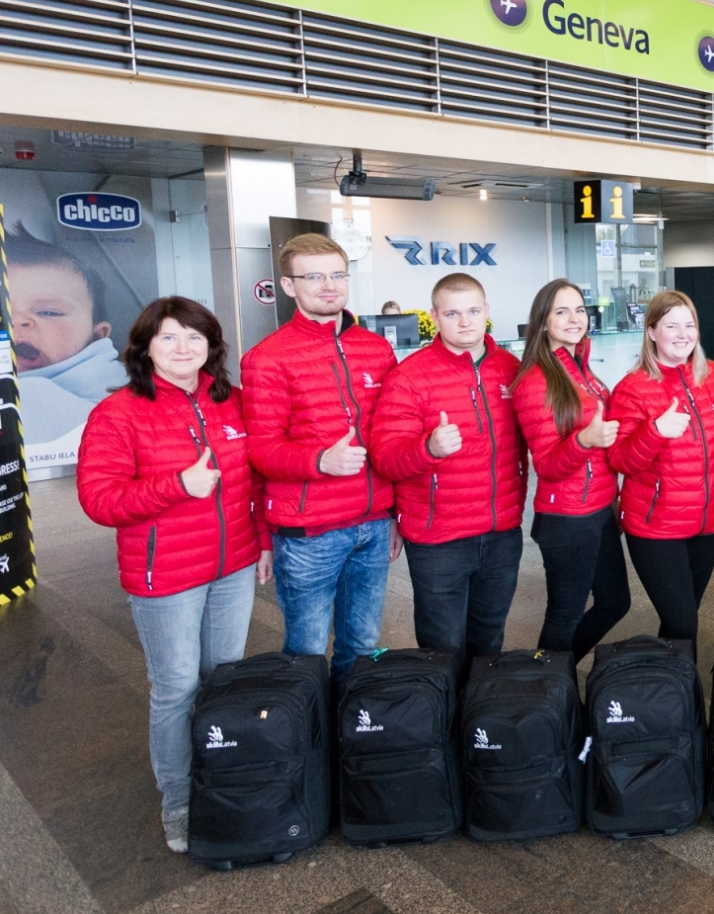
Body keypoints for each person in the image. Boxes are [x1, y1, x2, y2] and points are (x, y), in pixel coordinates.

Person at [76, 297, 271, 854]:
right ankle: (179, 799)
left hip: (231, 566)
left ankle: (221, 773)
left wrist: (259, 543)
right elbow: (99, 500)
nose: (183, 348)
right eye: (168, 338)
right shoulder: (119, 413)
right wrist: (177, 487)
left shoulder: (230, 402)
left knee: (221, 677)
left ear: (212, 346)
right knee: (176, 688)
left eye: (194, 337)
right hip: (166, 575)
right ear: (144, 348)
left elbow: (253, 484)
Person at [242, 233, 399, 683]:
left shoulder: (375, 348)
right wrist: (319, 462)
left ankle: (355, 735)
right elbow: (262, 448)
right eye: (314, 276)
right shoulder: (267, 358)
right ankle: (310, 744)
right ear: (289, 286)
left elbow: (391, 438)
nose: (328, 286)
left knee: (363, 646)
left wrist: (395, 515)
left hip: (372, 522)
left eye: (336, 275)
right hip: (310, 533)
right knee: (307, 652)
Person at [370, 273, 527, 660]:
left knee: (490, 641)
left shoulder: (512, 368)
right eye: (453, 313)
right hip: (438, 538)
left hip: (502, 531)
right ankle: (444, 717)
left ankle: (480, 717)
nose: (465, 322)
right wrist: (429, 448)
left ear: (487, 311)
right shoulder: (408, 377)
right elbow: (386, 457)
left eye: (474, 311)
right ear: (434, 316)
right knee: (442, 646)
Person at [608, 290, 714, 649]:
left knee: (683, 619)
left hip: (706, 522)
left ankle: (669, 698)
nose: (683, 334)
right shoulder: (633, 389)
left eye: (689, 325)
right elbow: (619, 459)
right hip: (655, 526)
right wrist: (656, 432)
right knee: (682, 623)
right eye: (671, 325)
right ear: (650, 332)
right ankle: (681, 699)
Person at [512, 279, 630, 660]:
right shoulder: (535, 381)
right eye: (561, 311)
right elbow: (546, 464)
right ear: (543, 321)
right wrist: (586, 440)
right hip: (566, 518)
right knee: (563, 616)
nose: (574, 318)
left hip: (598, 510)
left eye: (579, 310)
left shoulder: (581, 370)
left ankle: (555, 677)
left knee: (616, 602)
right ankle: (546, 698)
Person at [10, 230, 128, 449]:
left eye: (48, 312)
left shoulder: (118, 385)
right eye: (3, 312)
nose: (17, 322)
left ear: (97, 336)